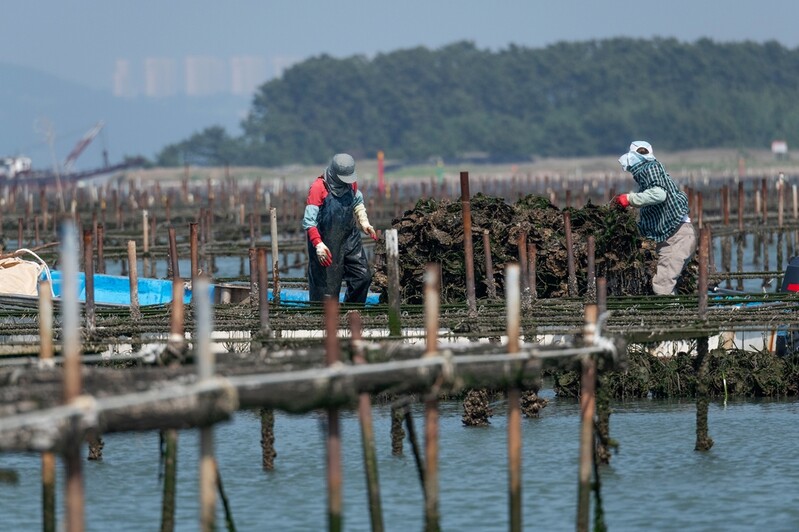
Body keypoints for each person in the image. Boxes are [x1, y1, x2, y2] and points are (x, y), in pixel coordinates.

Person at [614, 141, 696, 295]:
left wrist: (630, 199)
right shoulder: (651, 175)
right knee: (668, 285)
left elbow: (659, 194)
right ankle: (676, 312)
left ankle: (671, 317)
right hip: (675, 237)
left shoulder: (651, 168)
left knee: (662, 286)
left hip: (678, 238)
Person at [302, 153, 378, 303]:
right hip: (326, 243)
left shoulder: (351, 184)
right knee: (327, 291)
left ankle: (352, 311)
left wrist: (364, 223)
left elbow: (357, 201)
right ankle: (323, 320)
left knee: (362, 277)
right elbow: (309, 222)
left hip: (350, 238)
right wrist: (318, 244)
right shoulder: (318, 187)